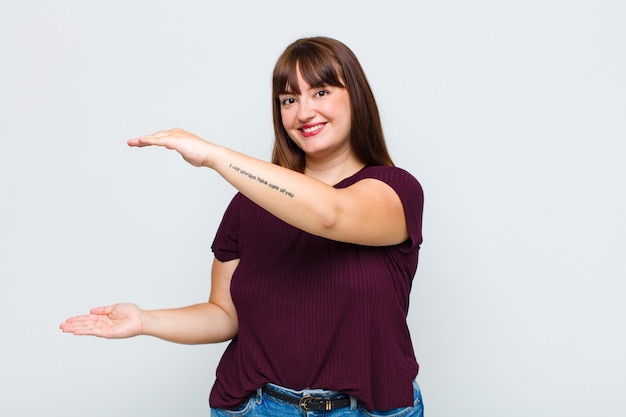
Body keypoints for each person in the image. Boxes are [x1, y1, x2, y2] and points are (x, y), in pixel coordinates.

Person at [60, 36, 425, 416]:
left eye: (320, 92)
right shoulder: (247, 206)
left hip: (370, 410)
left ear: (356, 98)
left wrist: (215, 157)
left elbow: (330, 215)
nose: (303, 112)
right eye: (289, 99)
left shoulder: (396, 191)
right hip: (258, 407)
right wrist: (145, 320)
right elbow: (224, 314)